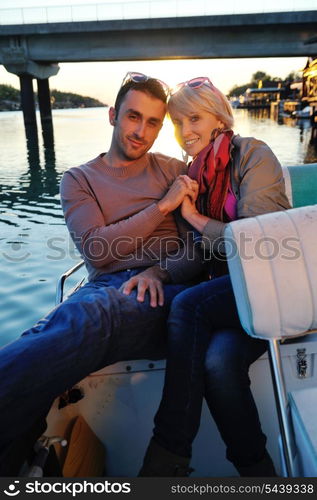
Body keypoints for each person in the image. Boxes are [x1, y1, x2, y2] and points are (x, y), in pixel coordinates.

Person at [0, 72, 199, 475]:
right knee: (53, 327)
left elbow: (197, 249)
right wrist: (161, 208)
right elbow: (97, 250)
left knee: (89, 314)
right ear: (113, 115)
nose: (140, 131)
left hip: (166, 291)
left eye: (153, 122)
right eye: (133, 117)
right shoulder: (78, 180)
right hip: (105, 289)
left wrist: (160, 273)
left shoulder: (173, 169)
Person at [121, 77, 291, 477]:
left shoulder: (252, 154)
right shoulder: (194, 175)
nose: (185, 132)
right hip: (229, 298)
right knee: (218, 363)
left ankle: (167, 451)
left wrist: (194, 217)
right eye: (178, 123)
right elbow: (198, 251)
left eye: (193, 118)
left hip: (270, 286)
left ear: (219, 117)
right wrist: (156, 271)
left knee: (188, 304)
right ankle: (258, 474)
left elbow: (255, 243)